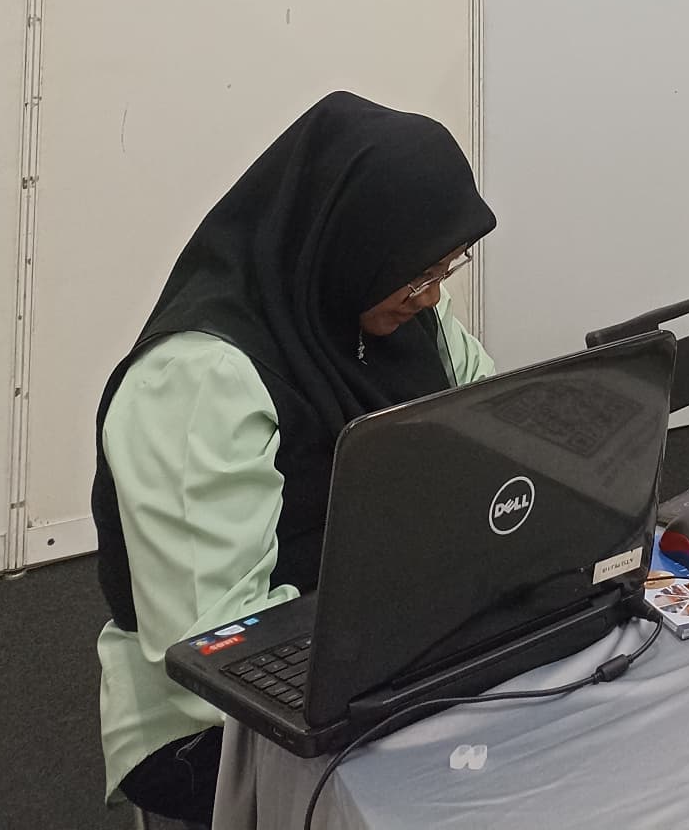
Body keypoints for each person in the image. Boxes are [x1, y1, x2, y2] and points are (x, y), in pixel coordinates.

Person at [91, 91, 496, 826]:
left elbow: (500, 433)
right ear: (349, 244)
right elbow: (215, 648)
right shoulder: (199, 379)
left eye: (445, 267)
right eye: (418, 274)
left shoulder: (401, 316)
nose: (432, 294)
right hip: (221, 719)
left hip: (393, 638)